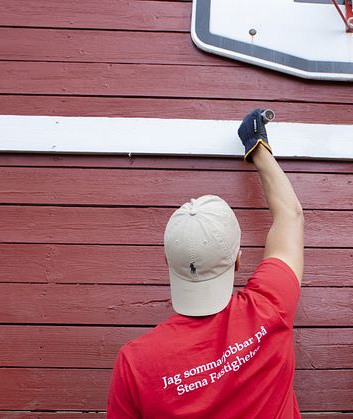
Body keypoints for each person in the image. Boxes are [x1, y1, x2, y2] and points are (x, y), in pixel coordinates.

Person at [107, 109, 305, 418]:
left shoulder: (135, 364)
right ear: (238, 261)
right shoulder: (270, 307)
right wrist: (257, 146)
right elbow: (290, 215)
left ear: (167, 261)